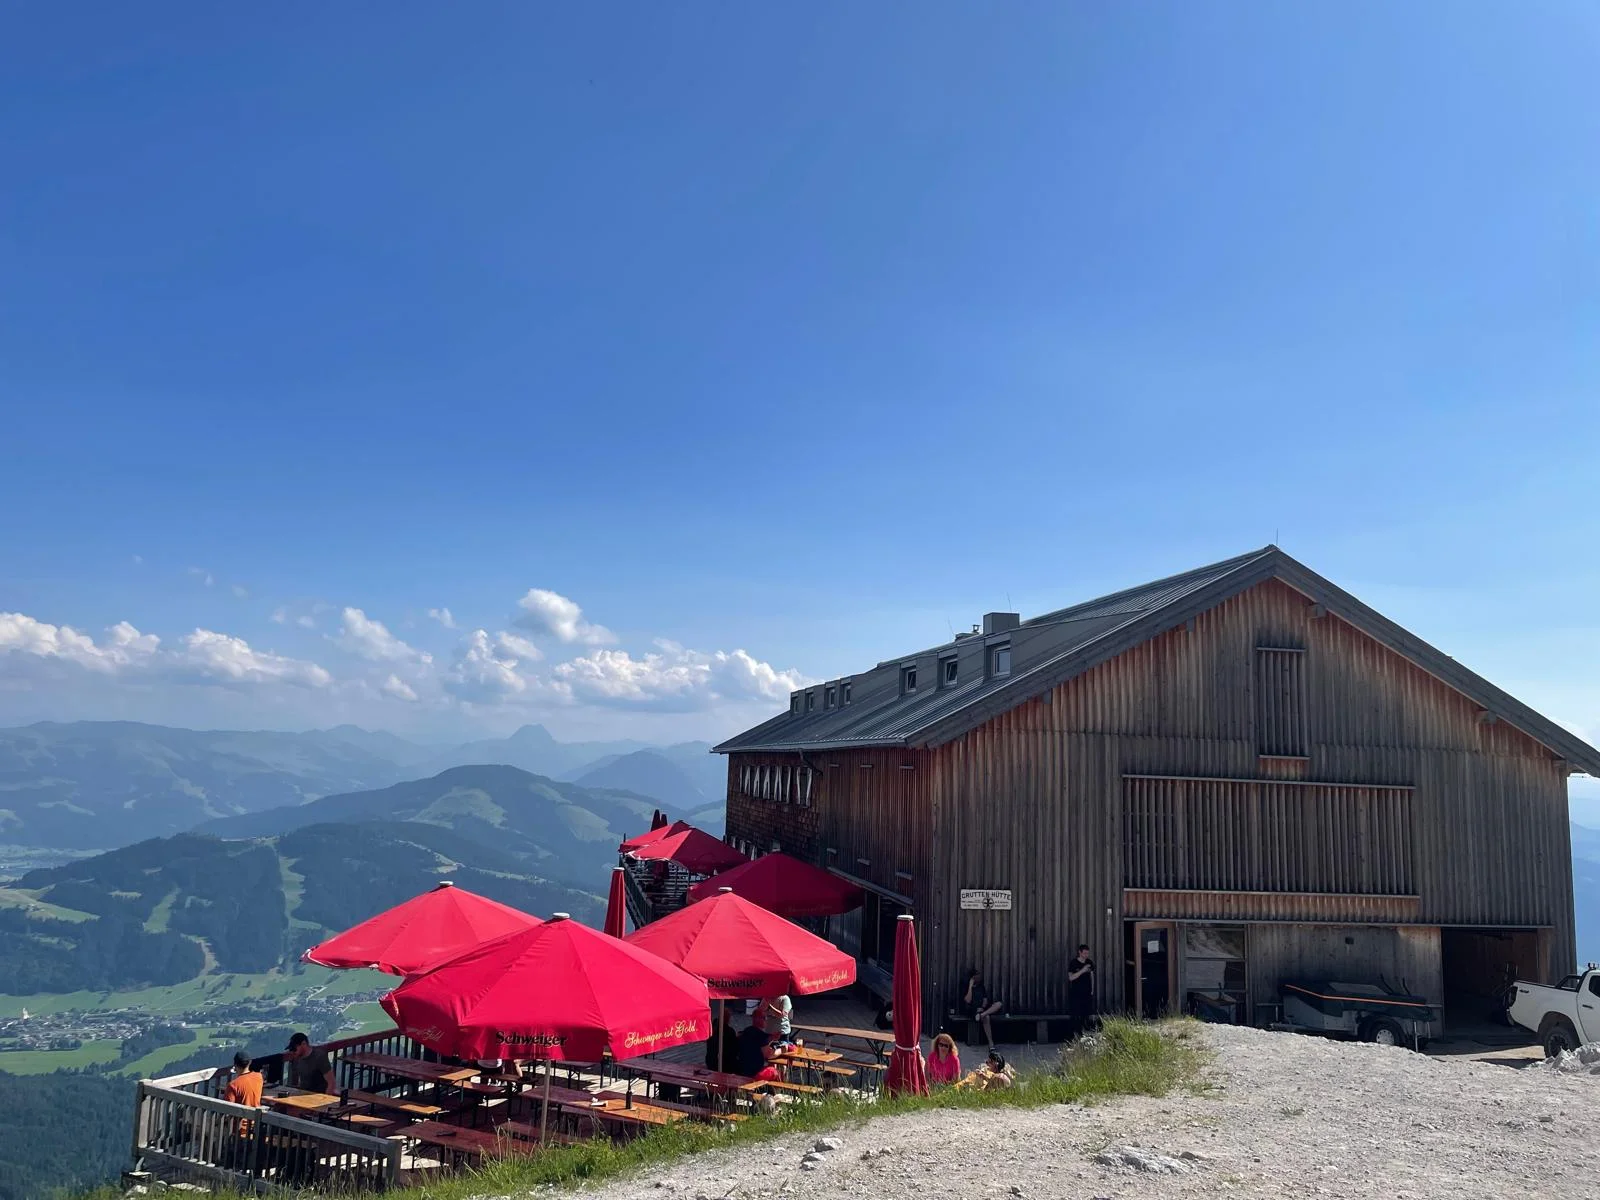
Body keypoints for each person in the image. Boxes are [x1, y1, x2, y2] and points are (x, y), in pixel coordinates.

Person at [962, 968, 1004, 1049]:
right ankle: (990, 1043)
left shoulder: (981, 986)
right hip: (972, 1010)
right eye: (976, 976)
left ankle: (982, 1015)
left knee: (998, 1004)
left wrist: (982, 1007)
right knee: (987, 1018)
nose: (978, 978)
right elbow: (968, 1000)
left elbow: (985, 1000)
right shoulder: (966, 987)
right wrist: (970, 986)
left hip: (982, 1010)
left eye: (979, 976)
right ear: (972, 977)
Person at [1067, 944, 1097, 1039]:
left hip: (1087, 992)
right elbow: (1071, 978)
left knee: (1086, 1014)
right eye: (1084, 953)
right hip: (1076, 993)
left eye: (1087, 953)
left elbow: (1092, 976)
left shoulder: (1089, 962)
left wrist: (1092, 989)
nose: (1086, 955)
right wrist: (1082, 970)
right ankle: (1076, 1034)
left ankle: (1085, 1033)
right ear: (1079, 952)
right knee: (1076, 1014)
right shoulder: (1073, 963)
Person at [705, 1006, 739, 1073]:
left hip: (710, 1061)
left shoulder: (713, 1027)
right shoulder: (729, 1031)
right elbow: (734, 1049)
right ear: (728, 1019)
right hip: (723, 1064)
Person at [736, 1013, 770, 1077]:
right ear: (759, 1020)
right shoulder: (761, 1035)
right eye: (765, 1018)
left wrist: (772, 1038)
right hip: (755, 1071)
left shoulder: (746, 1031)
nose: (766, 1021)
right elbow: (767, 1054)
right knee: (772, 1071)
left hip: (742, 1067)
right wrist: (780, 1050)